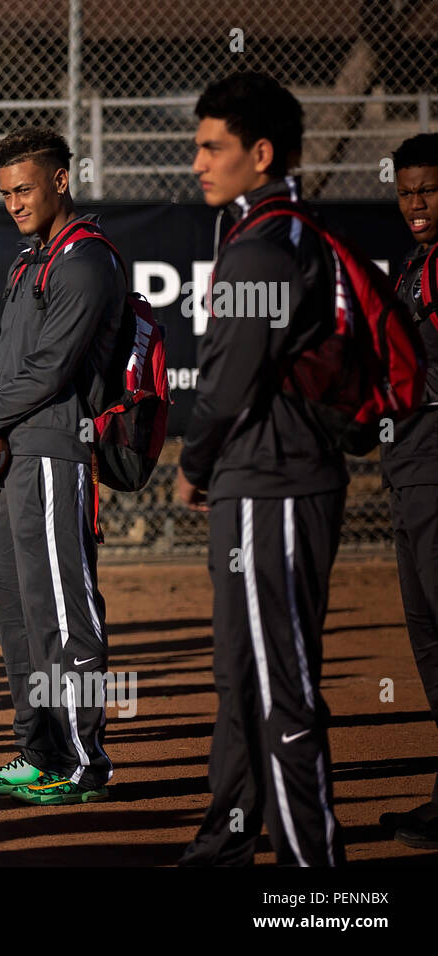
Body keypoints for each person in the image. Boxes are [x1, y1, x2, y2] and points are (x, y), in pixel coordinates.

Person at [175, 73, 346, 867]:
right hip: (263, 479)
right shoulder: (272, 233)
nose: (199, 162)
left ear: (262, 153)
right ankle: (227, 841)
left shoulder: (265, 246)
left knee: (281, 686)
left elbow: (227, 382)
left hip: (271, 482)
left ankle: (317, 880)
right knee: (242, 675)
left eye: (214, 147)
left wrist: (193, 460)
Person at [0, 128, 122, 806]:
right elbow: (0, 368)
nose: (14, 202)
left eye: (25, 189)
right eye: (5, 192)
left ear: (61, 180)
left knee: (62, 618)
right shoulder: (26, 262)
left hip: (50, 453)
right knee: (18, 620)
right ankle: (37, 754)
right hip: (8, 463)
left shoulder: (84, 261)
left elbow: (48, 374)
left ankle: (84, 762)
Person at [378, 132, 438, 851]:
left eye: (428, 189)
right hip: (410, 469)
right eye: (405, 191)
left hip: (432, 462)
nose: (415, 204)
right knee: (427, 637)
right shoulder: (414, 266)